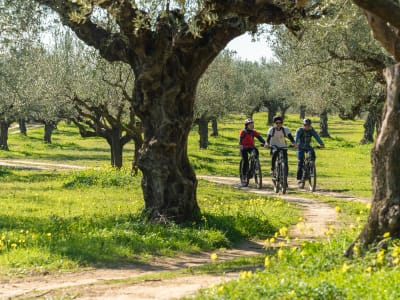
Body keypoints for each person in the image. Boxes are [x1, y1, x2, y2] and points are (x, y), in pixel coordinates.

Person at [294, 118, 325, 186]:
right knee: (300, 161)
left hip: (308, 146)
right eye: (305, 125)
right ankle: (299, 178)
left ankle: (311, 169)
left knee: (312, 156)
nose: (307, 126)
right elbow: (296, 137)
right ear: (303, 125)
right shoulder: (299, 130)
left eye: (308, 125)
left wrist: (321, 144)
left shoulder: (311, 130)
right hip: (300, 147)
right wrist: (295, 144)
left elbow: (316, 136)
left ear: (310, 125)